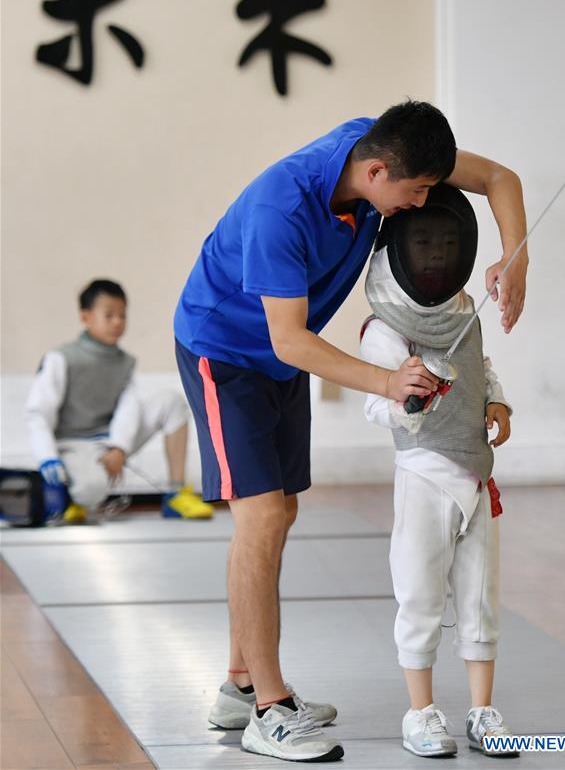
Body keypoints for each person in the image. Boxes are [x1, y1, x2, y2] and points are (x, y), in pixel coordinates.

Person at [174, 101, 528, 763]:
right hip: (225, 353)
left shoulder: (383, 146)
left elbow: (499, 179)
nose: (420, 205)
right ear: (375, 173)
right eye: (415, 192)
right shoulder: (280, 209)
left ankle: (240, 684)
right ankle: (269, 710)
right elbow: (288, 340)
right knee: (260, 515)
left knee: (279, 513)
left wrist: (516, 257)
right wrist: (387, 381)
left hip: (282, 354)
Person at [360, 182, 519, 759]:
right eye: (423, 241)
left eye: (448, 243)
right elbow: (375, 402)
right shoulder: (385, 327)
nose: (435, 254)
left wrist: (496, 401)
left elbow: (480, 365)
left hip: (476, 476)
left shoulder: (465, 311)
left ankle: (482, 712)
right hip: (423, 475)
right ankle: (421, 713)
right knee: (421, 595)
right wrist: (405, 401)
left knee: (480, 599)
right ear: (400, 248)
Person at [25, 279, 213, 522]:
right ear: (85, 317)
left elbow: (128, 407)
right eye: (109, 315)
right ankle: (71, 496)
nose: (117, 322)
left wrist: (119, 448)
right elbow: (38, 413)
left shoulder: (125, 362)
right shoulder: (61, 358)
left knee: (171, 402)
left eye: (122, 315)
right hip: (72, 445)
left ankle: (176, 494)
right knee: (90, 491)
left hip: (107, 441)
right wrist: (46, 456)